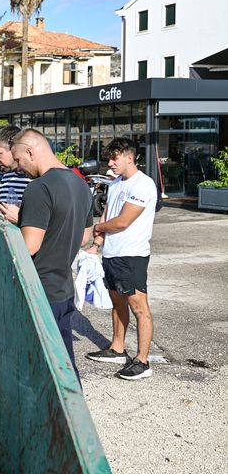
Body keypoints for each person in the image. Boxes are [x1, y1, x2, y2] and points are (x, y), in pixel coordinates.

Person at [11, 128, 93, 378]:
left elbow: (30, 247)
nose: (17, 166)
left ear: (30, 151)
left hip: (40, 291)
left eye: (18, 159)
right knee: (64, 364)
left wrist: (17, 224)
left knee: (39, 368)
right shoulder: (80, 184)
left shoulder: (39, 188)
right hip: (63, 289)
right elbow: (84, 238)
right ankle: (72, 411)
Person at [86, 137, 157, 381]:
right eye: (109, 159)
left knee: (140, 308)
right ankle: (117, 348)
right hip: (112, 253)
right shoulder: (115, 184)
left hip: (131, 255)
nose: (110, 163)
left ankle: (143, 361)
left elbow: (123, 220)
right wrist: (97, 244)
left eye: (114, 158)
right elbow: (108, 213)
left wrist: (99, 227)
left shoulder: (143, 185)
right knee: (117, 302)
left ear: (130, 157)